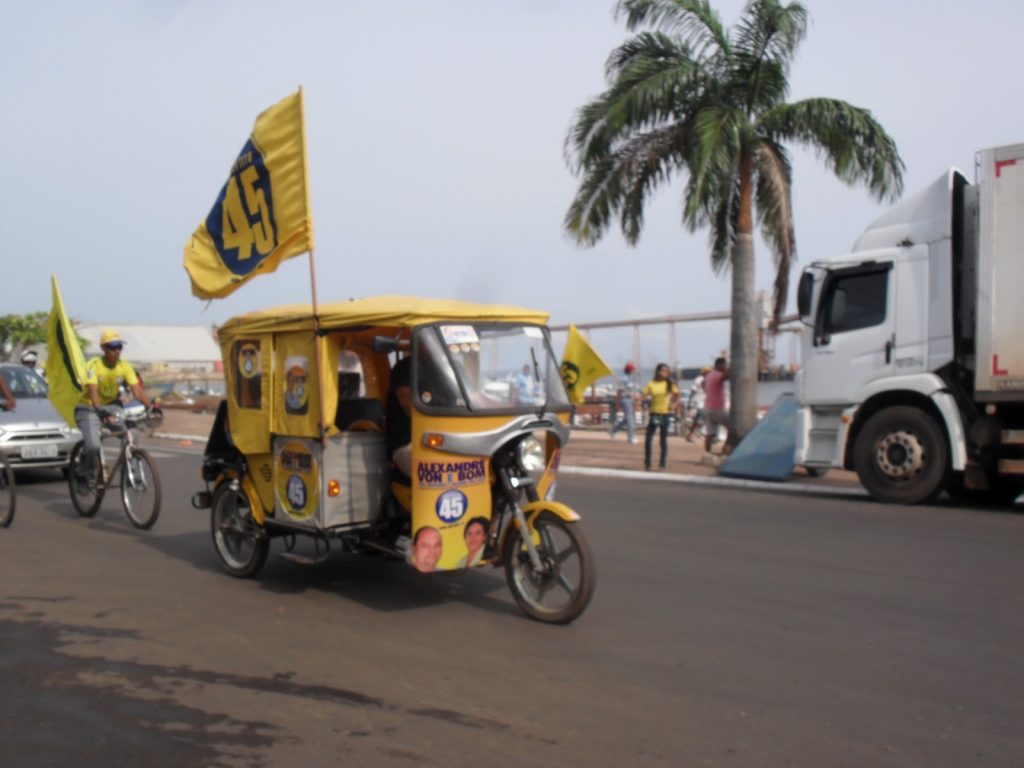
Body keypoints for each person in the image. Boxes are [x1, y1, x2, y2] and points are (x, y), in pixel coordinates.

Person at [74, 329, 153, 478]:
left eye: (119, 347)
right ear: (103, 348)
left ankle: (126, 470)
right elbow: (94, 393)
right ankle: (85, 472)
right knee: (93, 447)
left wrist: (151, 408)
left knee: (131, 435)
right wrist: (101, 412)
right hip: (89, 408)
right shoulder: (93, 366)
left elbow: (136, 389)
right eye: (112, 347)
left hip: (112, 406)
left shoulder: (125, 366)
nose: (117, 351)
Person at [642, 362, 680, 471]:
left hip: (665, 414)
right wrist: (636, 398)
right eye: (664, 371)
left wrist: (674, 405)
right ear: (658, 372)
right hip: (654, 413)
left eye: (667, 371)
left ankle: (662, 463)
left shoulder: (670, 384)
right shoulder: (651, 384)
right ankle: (648, 462)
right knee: (648, 439)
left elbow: (677, 396)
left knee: (663, 440)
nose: (666, 373)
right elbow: (643, 396)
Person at [386, 355, 413, 479]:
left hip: (442, 440)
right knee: (435, 469)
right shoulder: (405, 368)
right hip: (407, 443)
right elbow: (407, 403)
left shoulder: (448, 368)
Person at [702, 357, 730, 454]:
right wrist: (731, 368)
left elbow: (702, 383)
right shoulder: (718, 374)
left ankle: (708, 453)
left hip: (707, 407)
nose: (725, 366)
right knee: (732, 428)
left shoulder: (709, 375)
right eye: (724, 365)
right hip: (717, 409)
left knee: (709, 434)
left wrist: (708, 391)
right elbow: (725, 376)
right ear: (719, 365)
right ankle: (725, 450)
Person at [608, 363, 638, 443]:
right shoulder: (624, 379)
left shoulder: (630, 378)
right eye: (633, 369)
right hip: (625, 400)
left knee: (626, 419)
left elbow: (631, 390)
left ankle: (613, 430)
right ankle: (631, 437)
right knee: (630, 419)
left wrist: (633, 398)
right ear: (629, 370)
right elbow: (619, 391)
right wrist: (618, 403)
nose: (634, 371)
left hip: (630, 400)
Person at [685, 367, 709, 442]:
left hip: (704, 402)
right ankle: (692, 434)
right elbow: (693, 390)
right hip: (698, 402)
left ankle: (690, 434)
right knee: (701, 419)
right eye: (708, 372)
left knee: (700, 420)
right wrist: (689, 401)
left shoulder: (707, 379)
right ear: (704, 372)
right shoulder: (699, 379)